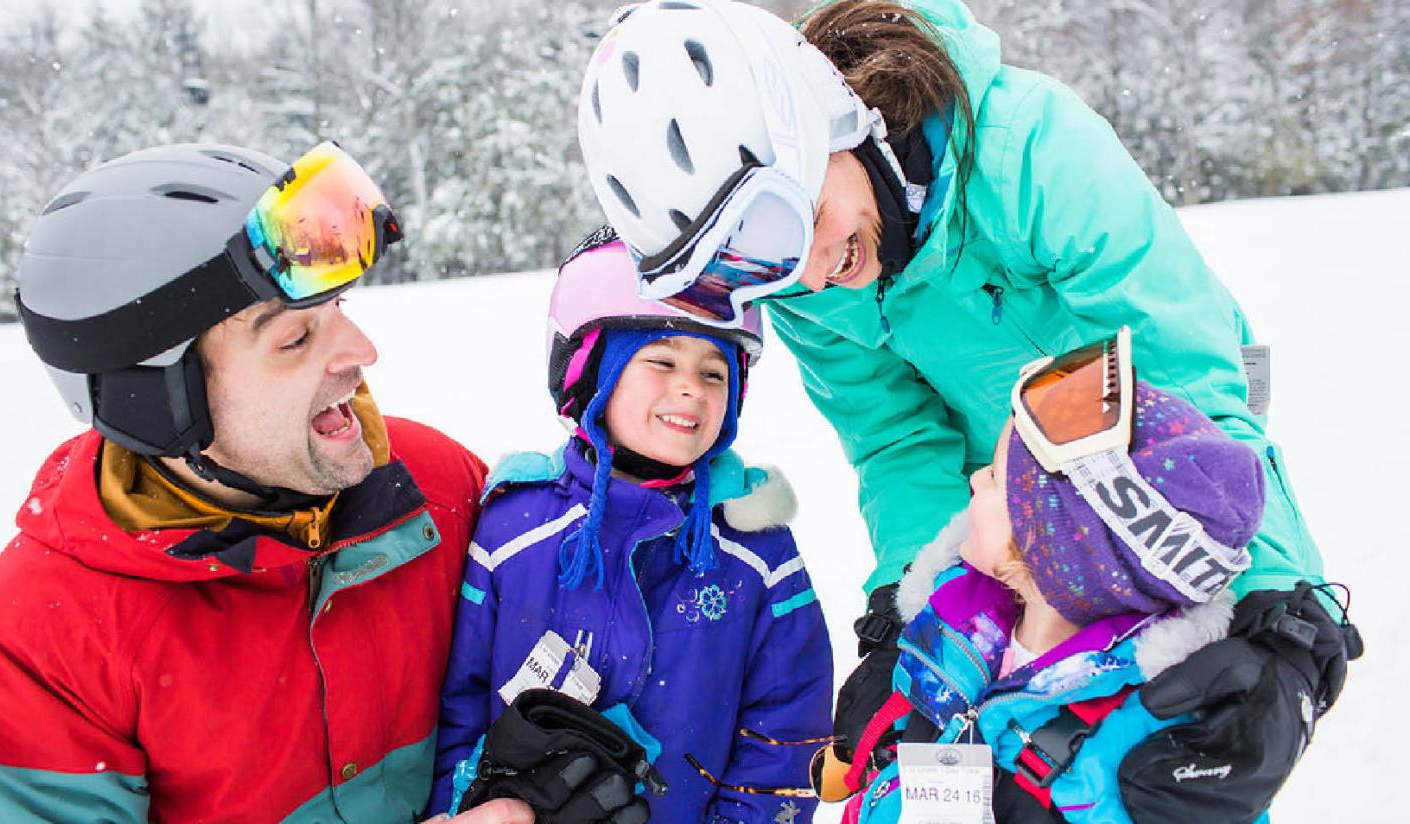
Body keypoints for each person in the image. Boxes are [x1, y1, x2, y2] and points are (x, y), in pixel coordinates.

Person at [575, 0, 1357, 816]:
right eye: (752, 266)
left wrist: (1276, 604)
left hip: (1144, 483)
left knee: (1161, 742)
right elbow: (897, 438)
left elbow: (1185, 383)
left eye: (788, 219)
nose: (804, 276)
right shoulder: (811, 285)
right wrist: (905, 601)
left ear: (831, 120)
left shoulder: (1031, 150)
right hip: (1008, 517)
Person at [0, 143, 625, 824]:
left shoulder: (433, 485)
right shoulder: (41, 638)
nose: (361, 353)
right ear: (160, 401)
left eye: (338, 308)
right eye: (294, 339)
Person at [430, 229, 834, 824]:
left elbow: (787, 728)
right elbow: (459, 708)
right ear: (592, 373)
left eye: (715, 373)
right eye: (662, 361)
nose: (691, 388)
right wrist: (471, 804)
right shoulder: (513, 530)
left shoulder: (756, 549)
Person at [831, 335, 1277, 822]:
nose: (975, 481)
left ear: (1047, 546)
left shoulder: (1146, 749)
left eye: (997, 479)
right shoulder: (957, 621)